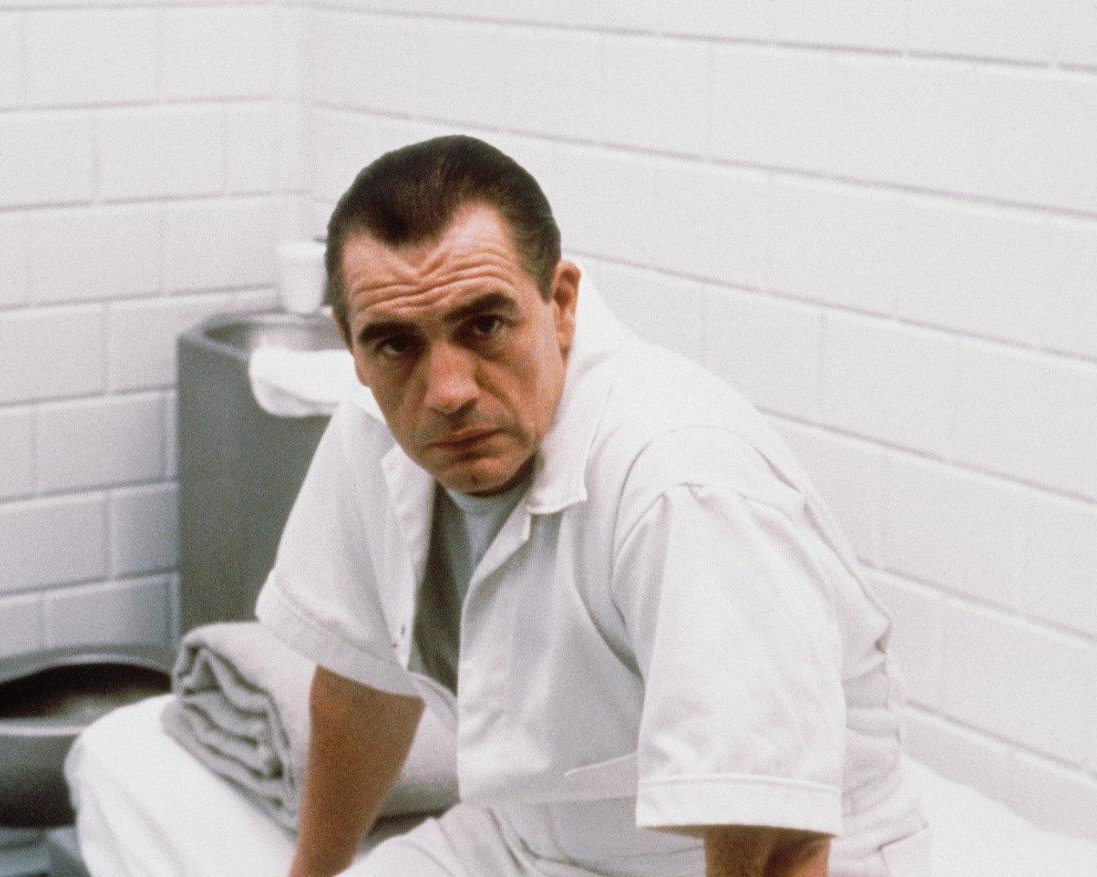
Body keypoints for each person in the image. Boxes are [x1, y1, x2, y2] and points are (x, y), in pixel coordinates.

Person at [254, 135, 929, 877]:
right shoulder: (371, 433)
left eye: (484, 325)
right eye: (395, 345)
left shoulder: (682, 482)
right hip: (525, 839)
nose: (447, 391)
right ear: (352, 347)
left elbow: (779, 844)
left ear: (561, 303)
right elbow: (361, 690)